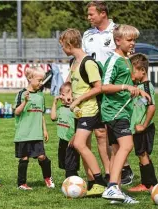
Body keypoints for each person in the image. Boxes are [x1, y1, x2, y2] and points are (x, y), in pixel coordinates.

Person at [100, 24, 151, 204]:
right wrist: (125, 87)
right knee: (127, 145)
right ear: (118, 40)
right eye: (129, 40)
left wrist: (139, 90)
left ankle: (116, 193)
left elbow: (128, 84)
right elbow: (104, 87)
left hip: (122, 111)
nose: (133, 43)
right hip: (114, 112)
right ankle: (113, 186)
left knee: (116, 152)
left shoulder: (127, 60)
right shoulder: (113, 60)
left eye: (134, 40)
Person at [59, 28, 107, 196]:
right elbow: (73, 84)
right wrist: (69, 95)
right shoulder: (74, 62)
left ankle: (100, 182)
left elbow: (98, 88)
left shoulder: (88, 63)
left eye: (63, 46)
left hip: (89, 110)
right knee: (84, 146)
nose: (62, 50)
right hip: (79, 112)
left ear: (70, 44)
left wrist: (79, 99)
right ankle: (93, 182)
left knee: (78, 144)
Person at [82, 0, 114, 183]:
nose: (88, 17)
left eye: (91, 14)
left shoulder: (117, 32)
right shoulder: (88, 34)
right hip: (94, 89)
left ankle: (121, 169)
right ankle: (108, 174)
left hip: (112, 89)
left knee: (115, 134)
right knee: (99, 133)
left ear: (103, 13)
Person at [14, 67, 54, 190]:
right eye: (39, 80)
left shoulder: (41, 96)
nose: (41, 83)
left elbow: (41, 114)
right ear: (30, 79)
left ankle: (48, 178)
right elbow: (17, 112)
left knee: (42, 157)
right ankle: (22, 184)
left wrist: (45, 130)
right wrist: (25, 102)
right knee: (24, 158)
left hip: (36, 134)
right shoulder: (21, 94)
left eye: (42, 80)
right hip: (23, 133)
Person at [127, 53, 157, 193]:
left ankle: (149, 184)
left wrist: (144, 125)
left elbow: (151, 106)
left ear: (142, 71)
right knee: (141, 154)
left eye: (132, 71)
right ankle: (150, 183)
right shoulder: (139, 86)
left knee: (142, 154)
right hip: (137, 128)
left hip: (143, 128)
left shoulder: (146, 87)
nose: (130, 74)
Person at [50, 82, 80, 178]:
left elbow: (79, 125)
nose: (60, 97)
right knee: (64, 163)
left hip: (71, 141)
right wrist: (54, 103)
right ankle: (72, 180)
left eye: (63, 94)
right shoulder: (61, 108)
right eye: (60, 94)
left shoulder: (75, 109)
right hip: (62, 140)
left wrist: (74, 137)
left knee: (71, 165)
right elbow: (53, 117)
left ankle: (71, 182)